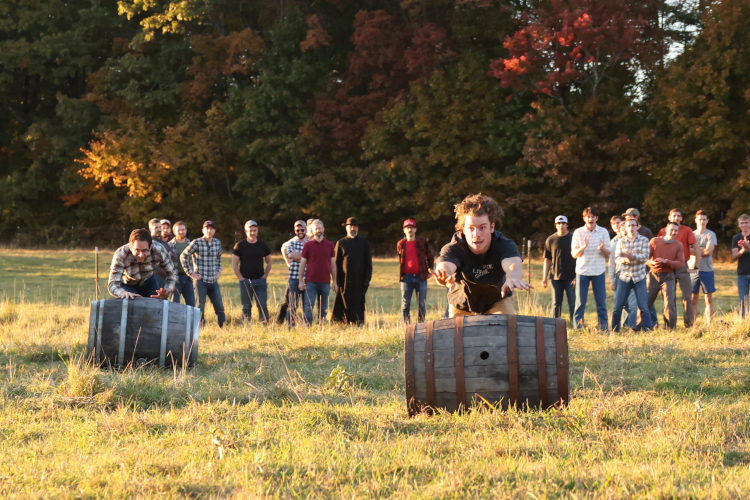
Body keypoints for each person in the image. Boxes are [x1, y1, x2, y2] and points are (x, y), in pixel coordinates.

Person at [431, 193, 530, 317]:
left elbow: (513, 265)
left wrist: (513, 277)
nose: (476, 234)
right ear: (463, 229)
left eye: (482, 228)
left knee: (506, 328)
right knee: (454, 335)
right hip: (461, 304)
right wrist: (443, 275)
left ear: (492, 227)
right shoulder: (454, 247)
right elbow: (445, 265)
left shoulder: (504, 244)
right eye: (471, 228)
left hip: (497, 300)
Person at [657, 209, 701, 327]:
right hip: (667, 266)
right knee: (669, 297)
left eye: (678, 216)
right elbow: (658, 246)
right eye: (674, 216)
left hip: (682, 266)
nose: (676, 218)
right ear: (669, 218)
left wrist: (696, 265)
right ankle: (670, 324)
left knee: (687, 296)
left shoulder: (687, 230)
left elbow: (696, 247)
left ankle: (688, 323)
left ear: (681, 218)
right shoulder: (663, 231)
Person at [571, 207, 611, 331]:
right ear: (584, 219)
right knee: (580, 302)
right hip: (582, 271)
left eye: (593, 216)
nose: (590, 219)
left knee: (601, 302)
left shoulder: (603, 232)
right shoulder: (578, 232)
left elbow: (608, 252)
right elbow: (574, 254)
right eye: (588, 216)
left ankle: (603, 328)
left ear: (596, 218)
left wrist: (602, 248)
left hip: (598, 271)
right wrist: (583, 246)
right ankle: (578, 327)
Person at [108, 228, 176, 300]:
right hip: (128, 283)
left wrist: (167, 290)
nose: (141, 255)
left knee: (158, 303)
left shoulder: (159, 250)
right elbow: (113, 284)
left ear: (150, 247)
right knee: (130, 303)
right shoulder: (120, 255)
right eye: (137, 250)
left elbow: (172, 272)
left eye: (145, 250)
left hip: (149, 280)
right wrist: (122, 293)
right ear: (130, 247)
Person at [611, 219, 653, 332]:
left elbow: (645, 257)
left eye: (633, 225)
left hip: (639, 277)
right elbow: (617, 259)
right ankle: (614, 330)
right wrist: (627, 260)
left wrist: (633, 255)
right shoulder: (621, 242)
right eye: (628, 225)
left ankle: (647, 330)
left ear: (637, 226)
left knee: (643, 306)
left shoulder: (644, 240)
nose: (631, 227)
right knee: (617, 306)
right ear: (625, 227)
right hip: (624, 277)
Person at [181, 220, 225, 327]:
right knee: (199, 306)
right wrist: (190, 273)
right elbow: (183, 256)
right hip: (200, 280)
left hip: (213, 280)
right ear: (203, 230)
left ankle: (223, 326)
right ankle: (200, 328)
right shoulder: (197, 242)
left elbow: (219, 258)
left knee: (219, 305)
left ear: (214, 230)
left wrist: (219, 270)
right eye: (207, 228)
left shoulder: (217, 243)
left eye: (211, 228)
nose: (209, 231)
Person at [332, 217, 373, 325]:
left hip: (359, 279)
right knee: (344, 301)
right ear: (346, 228)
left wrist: (367, 280)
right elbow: (335, 263)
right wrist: (336, 281)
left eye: (355, 227)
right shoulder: (340, 243)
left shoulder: (364, 243)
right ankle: (343, 322)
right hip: (344, 279)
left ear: (358, 228)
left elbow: (368, 264)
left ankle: (358, 322)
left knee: (358, 301)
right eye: (350, 226)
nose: (352, 229)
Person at [232, 220, 272, 323]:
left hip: (260, 281)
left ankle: (264, 326)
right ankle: (246, 327)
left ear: (257, 231)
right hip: (245, 281)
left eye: (255, 230)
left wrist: (264, 277)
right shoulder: (239, 245)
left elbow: (269, 262)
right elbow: (234, 264)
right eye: (250, 230)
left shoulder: (263, 245)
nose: (253, 233)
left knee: (262, 305)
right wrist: (241, 279)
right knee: (246, 306)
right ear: (246, 231)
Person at [298, 220, 338, 324]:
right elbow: (302, 264)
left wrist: (335, 281)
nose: (318, 230)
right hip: (310, 281)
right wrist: (300, 281)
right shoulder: (308, 245)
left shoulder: (330, 245)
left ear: (323, 229)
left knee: (323, 308)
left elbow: (333, 264)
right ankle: (307, 328)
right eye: (316, 229)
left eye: (320, 228)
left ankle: (321, 328)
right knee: (308, 307)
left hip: (325, 281)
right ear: (312, 230)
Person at [647, 222, 685, 329]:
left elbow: (681, 263)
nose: (673, 232)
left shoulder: (678, 245)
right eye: (671, 229)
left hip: (668, 276)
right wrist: (652, 263)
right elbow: (646, 258)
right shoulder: (655, 241)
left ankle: (670, 327)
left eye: (676, 231)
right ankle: (640, 326)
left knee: (669, 303)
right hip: (653, 275)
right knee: (646, 301)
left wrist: (666, 262)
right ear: (666, 229)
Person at [397, 219, 435, 323]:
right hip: (406, 277)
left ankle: (421, 325)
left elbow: (430, 257)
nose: (410, 230)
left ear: (415, 229)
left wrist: (430, 270)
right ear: (404, 230)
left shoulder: (423, 242)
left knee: (421, 304)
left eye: (412, 228)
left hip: (421, 277)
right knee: (405, 304)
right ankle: (406, 326)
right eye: (407, 228)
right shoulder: (401, 244)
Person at [542, 215, 576, 322]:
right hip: (556, 277)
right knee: (556, 303)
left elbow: (579, 257)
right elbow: (547, 260)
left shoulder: (573, 237)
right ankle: (555, 323)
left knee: (573, 302)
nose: (561, 226)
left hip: (571, 277)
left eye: (563, 223)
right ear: (556, 225)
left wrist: (577, 276)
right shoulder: (551, 240)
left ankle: (575, 324)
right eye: (558, 224)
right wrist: (544, 278)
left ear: (567, 225)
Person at [275, 220, 309, 325]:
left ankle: (307, 327)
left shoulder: (311, 243)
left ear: (306, 229)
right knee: (292, 305)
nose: (300, 231)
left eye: (302, 229)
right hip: (294, 278)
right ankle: (291, 327)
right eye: (297, 230)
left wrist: (299, 256)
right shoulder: (292, 243)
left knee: (307, 306)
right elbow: (290, 255)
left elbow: (314, 257)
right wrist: (307, 257)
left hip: (308, 278)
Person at [609, 215, 637, 329]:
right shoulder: (614, 244)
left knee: (633, 305)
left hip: (635, 275)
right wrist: (612, 280)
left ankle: (632, 327)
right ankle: (618, 327)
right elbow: (611, 264)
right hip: (620, 276)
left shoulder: (636, 241)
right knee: (620, 304)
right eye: (621, 228)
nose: (624, 229)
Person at [691, 210, 717, 324]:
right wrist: (701, 250)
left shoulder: (711, 234)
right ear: (696, 220)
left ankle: (709, 324)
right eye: (700, 219)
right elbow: (687, 251)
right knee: (693, 299)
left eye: (704, 219)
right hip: (692, 270)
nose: (702, 221)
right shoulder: (691, 234)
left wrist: (695, 250)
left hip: (707, 270)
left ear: (707, 220)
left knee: (708, 299)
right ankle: (693, 324)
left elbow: (709, 251)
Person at [169, 221, 195, 306]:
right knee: (174, 304)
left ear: (186, 230)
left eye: (183, 230)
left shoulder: (191, 244)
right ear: (174, 231)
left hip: (189, 278)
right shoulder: (169, 245)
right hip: (175, 279)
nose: (181, 232)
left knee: (191, 304)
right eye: (178, 230)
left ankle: (192, 319)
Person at [732, 214, 750, 317]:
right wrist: (743, 250)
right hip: (742, 274)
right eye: (742, 223)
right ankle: (745, 324)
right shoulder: (736, 238)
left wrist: (747, 245)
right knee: (743, 301)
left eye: (746, 222)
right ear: (739, 225)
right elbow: (734, 256)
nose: (744, 225)